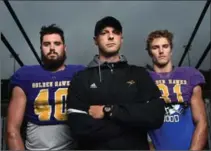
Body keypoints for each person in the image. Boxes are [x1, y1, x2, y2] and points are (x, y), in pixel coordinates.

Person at [66, 16, 165, 150]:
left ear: (121, 39)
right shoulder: (81, 78)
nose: (111, 37)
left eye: (115, 32)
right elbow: (78, 127)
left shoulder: (139, 74)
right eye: (104, 33)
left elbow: (156, 115)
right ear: (95, 40)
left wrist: (109, 111)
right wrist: (133, 124)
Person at [6, 24, 85, 150]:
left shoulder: (80, 73)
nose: (52, 48)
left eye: (57, 43)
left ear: (65, 48)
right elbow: (12, 130)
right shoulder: (25, 75)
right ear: (41, 48)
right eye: (47, 44)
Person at [146, 30, 208, 150]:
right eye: (155, 47)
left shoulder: (190, 75)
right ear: (150, 52)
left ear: (171, 50)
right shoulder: (144, 79)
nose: (161, 51)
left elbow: (201, 122)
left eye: (165, 46)